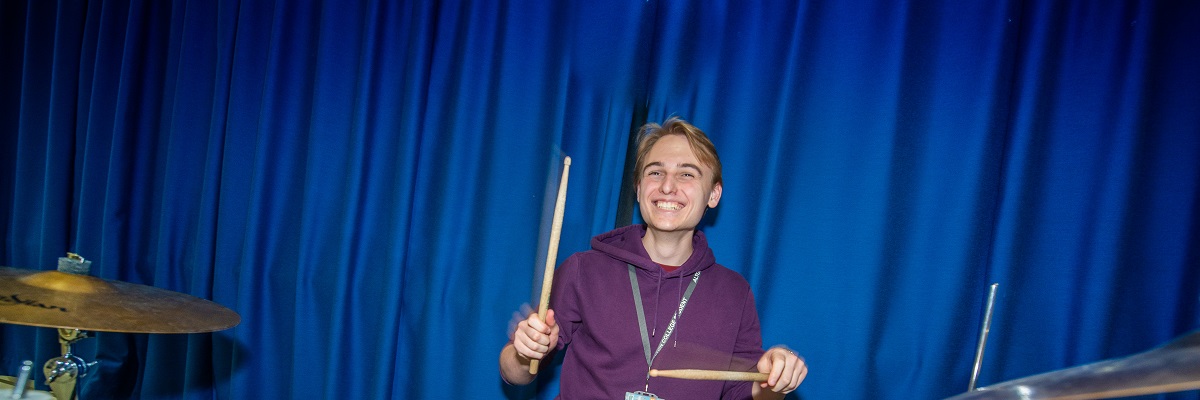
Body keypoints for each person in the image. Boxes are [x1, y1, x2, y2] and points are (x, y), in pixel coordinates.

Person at [499, 117, 807, 399]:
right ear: (638, 188)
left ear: (713, 194)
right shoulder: (584, 269)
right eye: (656, 172)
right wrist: (524, 353)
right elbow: (514, 372)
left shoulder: (734, 292)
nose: (668, 186)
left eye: (687, 174)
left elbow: (748, 394)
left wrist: (774, 379)